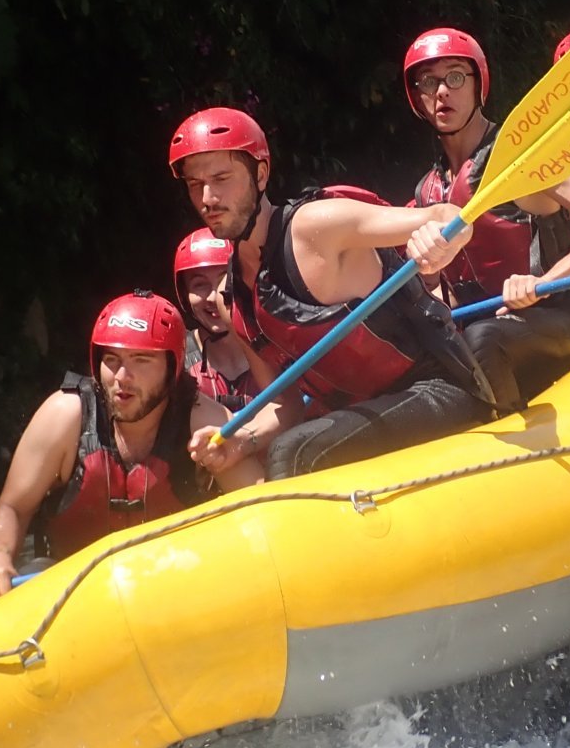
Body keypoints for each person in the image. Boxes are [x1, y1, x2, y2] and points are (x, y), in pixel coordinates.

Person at [168, 106, 496, 480]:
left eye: (222, 178)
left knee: (294, 453)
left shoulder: (315, 227)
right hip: (368, 417)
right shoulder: (235, 298)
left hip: (441, 390)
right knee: (287, 447)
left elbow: (448, 217)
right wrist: (241, 440)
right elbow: (284, 403)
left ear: (260, 175)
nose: (208, 197)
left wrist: (435, 241)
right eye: (195, 185)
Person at [0, 291, 264, 602]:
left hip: (177, 588)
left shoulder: (205, 420)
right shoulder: (64, 415)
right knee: (36, 572)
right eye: (112, 359)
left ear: (172, 366)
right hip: (71, 590)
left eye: (141, 360)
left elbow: (262, 507)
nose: (122, 377)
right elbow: (13, 507)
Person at [403, 27, 570, 412]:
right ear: (417, 98)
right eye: (428, 82)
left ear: (479, 85)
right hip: (490, 330)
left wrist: (545, 283)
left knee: (481, 339)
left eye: (456, 77)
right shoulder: (428, 191)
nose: (442, 91)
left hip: (561, 316)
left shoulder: (520, 158)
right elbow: (437, 287)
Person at [173, 227, 260, 406]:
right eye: (199, 285)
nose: (215, 296)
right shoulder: (174, 364)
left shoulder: (280, 349)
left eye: (226, 279)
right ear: (184, 294)